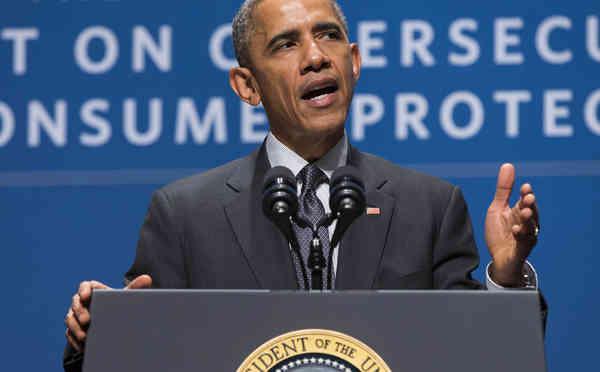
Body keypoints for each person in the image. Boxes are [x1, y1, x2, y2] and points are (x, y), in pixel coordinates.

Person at [63, 0, 543, 370]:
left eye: (328, 36)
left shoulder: (431, 206)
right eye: (286, 44)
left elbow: (484, 358)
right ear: (247, 86)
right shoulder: (185, 215)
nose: (315, 57)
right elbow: (132, 357)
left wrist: (505, 281)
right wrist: (96, 332)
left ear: (353, 61)